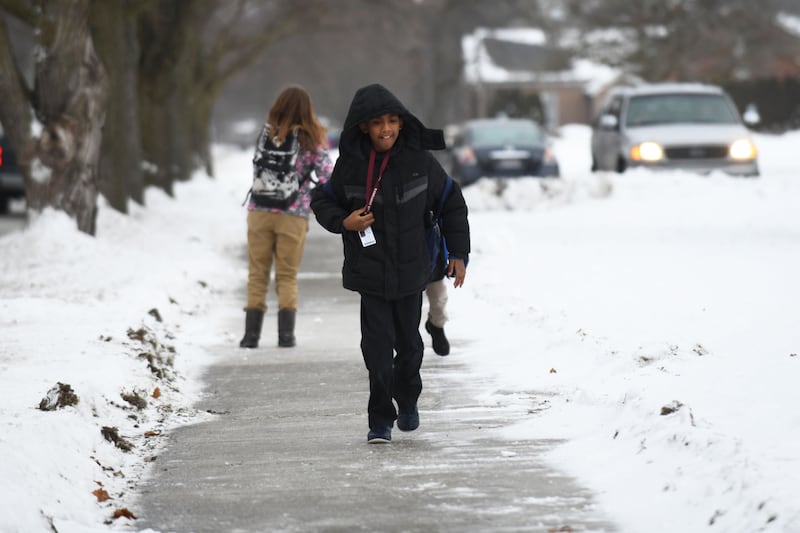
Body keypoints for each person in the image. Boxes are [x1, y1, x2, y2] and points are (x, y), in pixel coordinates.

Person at [310, 83, 470, 443]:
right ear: (363, 127)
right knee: (378, 351)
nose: (386, 128)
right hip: (371, 274)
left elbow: (451, 204)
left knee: (410, 347)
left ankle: (408, 400)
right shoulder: (349, 166)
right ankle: (380, 419)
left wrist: (458, 254)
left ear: (402, 123)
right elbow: (323, 201)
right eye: (378, 122)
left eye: (393, 120)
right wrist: (344, 222)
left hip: (413, 272)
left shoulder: (421, 163)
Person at [240, 85, 333, 349]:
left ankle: (250, 337)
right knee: (287, 275)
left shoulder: (266, 134)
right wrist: (313, 197)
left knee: (257, 273)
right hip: (293, 213)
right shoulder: (311, 139)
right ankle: (286, 336)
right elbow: (327, 175)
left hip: (259, 211)